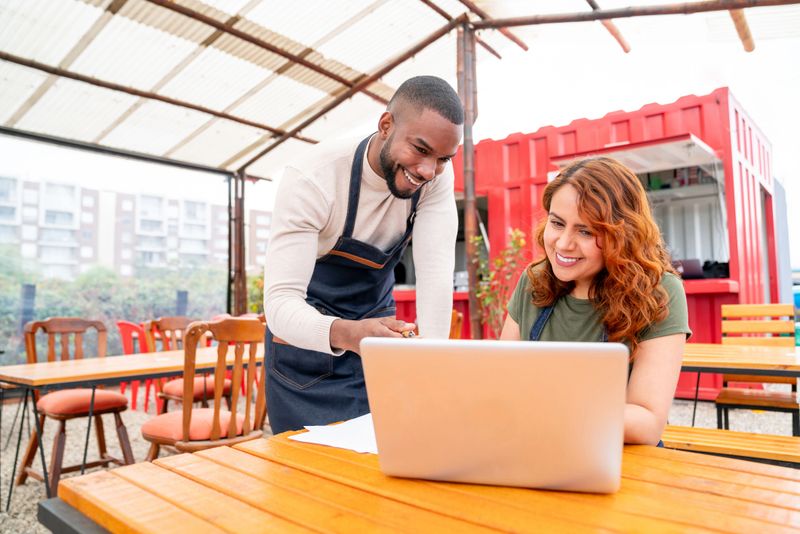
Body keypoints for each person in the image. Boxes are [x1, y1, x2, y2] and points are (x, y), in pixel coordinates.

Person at [263, 76, 464, 434]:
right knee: (304, 482)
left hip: (377, 354)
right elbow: (279, 306)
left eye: (443, 159)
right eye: (420, 149)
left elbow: (435, 277)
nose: (427, 171)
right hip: (303, 360)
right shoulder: (313, 179)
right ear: (386, 125)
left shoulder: (434, 180)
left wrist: (433, 367)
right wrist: (353, 334)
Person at [500, 156, 691, 445]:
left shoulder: (660, 291)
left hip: (620, 457)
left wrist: (546, 408)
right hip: (537, 443)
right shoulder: (533, 280)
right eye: (557, 223)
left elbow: (647, 423)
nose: (563, 243)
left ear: (623, 234)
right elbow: (500, 379)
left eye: (586, 231)